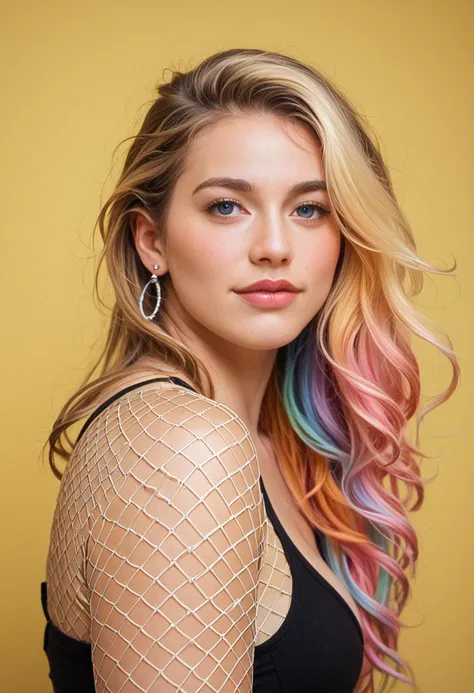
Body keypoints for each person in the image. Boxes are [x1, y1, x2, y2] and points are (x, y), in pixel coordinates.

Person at [40, 48, 459, 693]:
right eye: (227, 206)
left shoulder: (258, 440)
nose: (273, 246)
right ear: (151, 240)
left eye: (310, 208)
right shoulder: (181, 448)